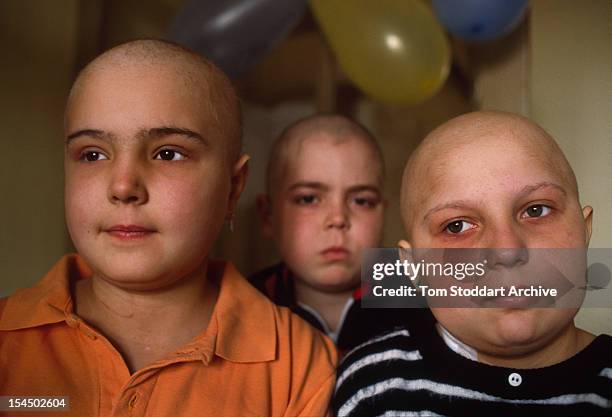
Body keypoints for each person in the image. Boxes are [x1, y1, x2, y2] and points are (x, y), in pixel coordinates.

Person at [0, 39, 336, 417]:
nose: (123, 186)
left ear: (233, 187)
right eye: (92, 154)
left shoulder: (299, 366)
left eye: (168, 154)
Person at [333, 110, 612, 416]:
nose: (506, 251)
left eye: (536, 210)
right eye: (456, 226)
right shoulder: (373, 388)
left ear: (584, 231)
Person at [250, 114, 432, 356]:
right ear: (268, 216)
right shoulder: (243, 307)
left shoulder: (425, 291)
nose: (338, 219)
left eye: (361, 201)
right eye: (308, 199)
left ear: (383, 215)